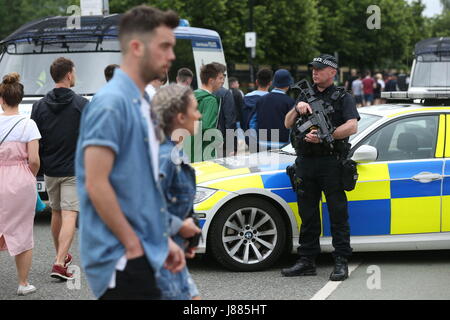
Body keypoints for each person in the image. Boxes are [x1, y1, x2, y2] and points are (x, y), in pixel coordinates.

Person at [75, 5, 186, 300]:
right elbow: (96, 184)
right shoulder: (111, 104)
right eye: (165, 46)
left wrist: (161, 242)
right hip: (121, 258)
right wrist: (133, 245)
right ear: (137, 47)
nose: (171, 56)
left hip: (140, 252)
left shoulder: (139, 104)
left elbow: (139, 188)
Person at [282, 54, 359, 281]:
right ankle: (307, 260)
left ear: (332, 72)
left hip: (331, 162)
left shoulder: (343, 97)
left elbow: (352, 126)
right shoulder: (305, 94)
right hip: (305, 163)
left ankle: (341, 260)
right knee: (308, 214)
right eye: (313, 69)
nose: (315, 72)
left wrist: (327, 135)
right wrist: (298, 107)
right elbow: (287, 123)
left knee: (337, 214)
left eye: (320, 69)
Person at [31, 57, 88, 281]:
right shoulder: (82, 105)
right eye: (74, 72)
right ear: (68, 75)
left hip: (50, 170)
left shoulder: (38, 106)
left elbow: (36, 139)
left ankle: (61, 257)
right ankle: (58, 262)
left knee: (55, 211)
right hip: (74, 168)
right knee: (70, 214)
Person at [153, 84, 202, 300]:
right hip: (160, 261)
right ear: (181, 117)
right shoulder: (165, 158)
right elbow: (142, 209)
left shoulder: (173, 153)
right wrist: (180, 226)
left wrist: (188, 237)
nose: (199, 115)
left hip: (173, 254)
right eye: (195, 109)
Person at [0, 73, 41, 296]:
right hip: (20, 178)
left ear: (1, 99)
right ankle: (23, 283)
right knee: (23, 230)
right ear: (21, 98)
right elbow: (34, 160)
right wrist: (28, 175)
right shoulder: (29, 124)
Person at [190, 62, 225, 162]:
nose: (222, 81)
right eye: (220, 78)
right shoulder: (211, 100)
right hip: (204, 151)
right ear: (211, 81)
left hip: (190, 147)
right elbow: (207, 127)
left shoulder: (193, 95)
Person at [254, 69, 295, 150]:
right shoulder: (289, 101)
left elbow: (254, 120)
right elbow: (292, 125)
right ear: (288, 85)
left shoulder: (261, 100)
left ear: (273, 82)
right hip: (282, 143)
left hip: (262, 141)